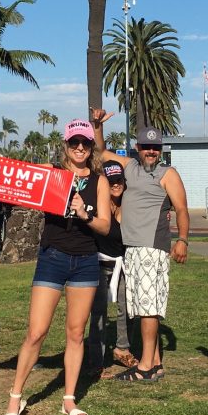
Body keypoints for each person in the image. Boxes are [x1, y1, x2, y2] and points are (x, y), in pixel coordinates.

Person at [0, 118, 112, 415]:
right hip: (53, 258)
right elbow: (9, 182)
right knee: (36, 332)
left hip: (86, 261)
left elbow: (104, 225)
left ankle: (68, 399)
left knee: (76, 334)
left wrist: (83, 213)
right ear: (66, 145)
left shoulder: (99, 181)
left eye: (85, 143)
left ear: (91, 147)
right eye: (75, 142)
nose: (80, 148)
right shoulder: (52, 175)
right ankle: (15, 398)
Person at [91, 109, 190, 383]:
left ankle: (145, 367)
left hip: (151, 246)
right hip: (131, 247)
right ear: (137, 148)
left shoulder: (168, 174)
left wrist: (182, 240)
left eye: (155, 148)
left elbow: (181, 209)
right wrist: (97, 126)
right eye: (146, 147)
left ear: (160, 149)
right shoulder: (129, 167)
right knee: (142, 305)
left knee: (147, 307)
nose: (151, 152)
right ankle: (155, 362)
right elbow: (100, 151)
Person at [83, 160, 137, 378]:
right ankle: (96, 360)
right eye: (111, 180)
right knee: (98, 312)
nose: (116, 184)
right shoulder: (98, 203)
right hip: (98, 263)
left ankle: (122, 348)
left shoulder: (130, 202)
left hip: (124, 263)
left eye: (119, 180)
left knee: (128, 308)